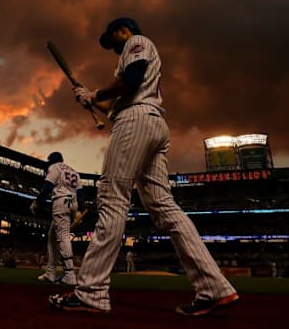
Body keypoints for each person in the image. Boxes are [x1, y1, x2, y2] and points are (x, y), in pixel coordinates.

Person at [48, 17, 239, 316]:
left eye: (112, 40)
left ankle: (91, 292)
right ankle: (214, 288)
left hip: (137, 121)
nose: (112, 48)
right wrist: (90, 100)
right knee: (164, 207)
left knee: (112, 198)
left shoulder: (137, 42)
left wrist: (96, 93)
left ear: (124, 30)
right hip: (150, 123)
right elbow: (115, 106)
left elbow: (131, 80)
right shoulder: (134, 57)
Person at [31, 152, 86, 286]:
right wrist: (79, 210)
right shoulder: (73, 171)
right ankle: (50, 273)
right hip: (73, 203)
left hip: (61, 202)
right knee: (52, 236)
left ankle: (70, 275)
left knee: (63, 237)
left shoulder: (54, 167)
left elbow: (48, 186)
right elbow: (81, 193)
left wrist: (37, 202)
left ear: (51, 161)